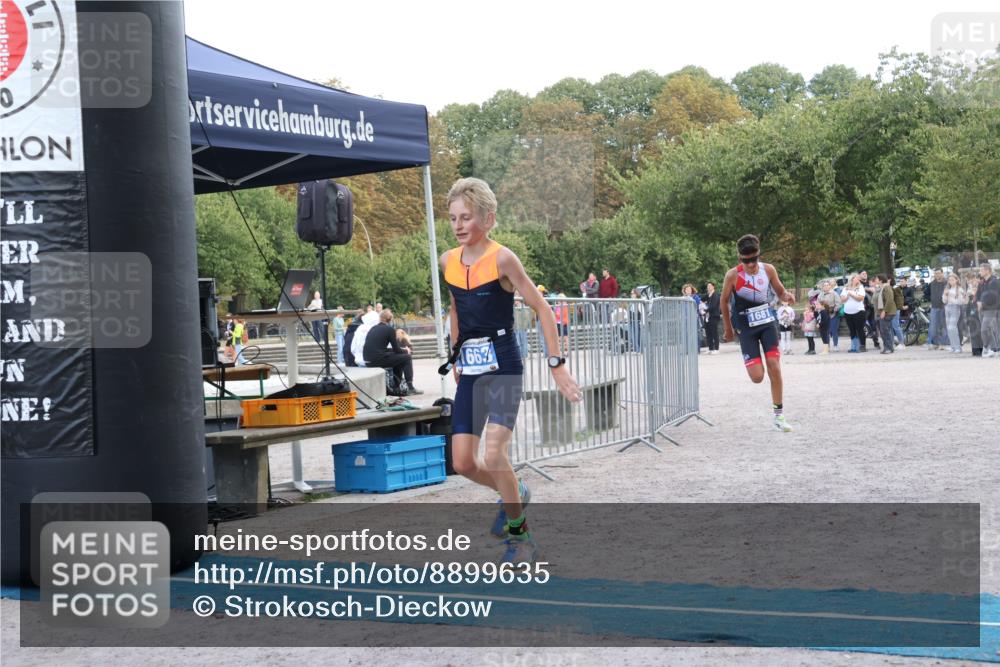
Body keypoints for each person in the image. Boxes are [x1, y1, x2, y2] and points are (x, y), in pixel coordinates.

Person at [440, 177, 581, 564]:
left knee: (495, 450)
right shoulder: (447, 261)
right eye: (452, 218)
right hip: (471, 365)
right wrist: (454, 354)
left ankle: (520, 537)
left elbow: (542, 308)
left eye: (466, 217)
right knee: (463, 462)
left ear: (488, 217)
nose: (458, 225)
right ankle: (514, 489)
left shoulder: (503, 258)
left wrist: (557, 365)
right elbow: (455, 308)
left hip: (503, 362)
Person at [720, 234, 796, 432]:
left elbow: (780, 291)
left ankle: (779, 416)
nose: (751, 265)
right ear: (740, 259)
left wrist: (787, 295)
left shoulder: (768, 270)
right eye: (746, 261)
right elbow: (723, 301)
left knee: (775, 366)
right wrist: (728, 329)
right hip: (746, 328)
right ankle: (753, 360)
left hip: (766, 322)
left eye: (754, 259)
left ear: (758, 255)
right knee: (757, 377)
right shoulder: (732, 275)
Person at [363, 309, 422, 395]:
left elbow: (383, 349)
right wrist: (406, 350)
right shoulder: (389, 329)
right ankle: (410, 387)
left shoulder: (373, 328)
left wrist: (403, 350)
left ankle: (397, 387)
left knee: (398, 358)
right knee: (407, 357)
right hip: (377, 360)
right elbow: (396, 349)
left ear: (380, 318)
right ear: (390, 319)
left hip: (368, 360)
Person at [976, 263, 1000, 358]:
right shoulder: (982, 282)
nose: (979, 272)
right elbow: (978, 293)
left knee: (985, 329)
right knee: (988, 329)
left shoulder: (995, 281)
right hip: (982, 309)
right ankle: (994, 349)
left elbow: (993, 296)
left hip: (992, 308)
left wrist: (982, 302)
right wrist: (978, 302)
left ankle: (989, 348)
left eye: (981, 270)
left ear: (987, 270)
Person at [840, 273, 867, 353]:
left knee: (860, 329)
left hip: (858, 311)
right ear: (852, 279)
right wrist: (848, 295)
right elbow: (842, 299)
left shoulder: (861, 287)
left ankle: (862, 346)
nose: (858, 279)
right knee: (852, 330)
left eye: (859, 278)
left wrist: (852, 294)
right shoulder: (846, 288)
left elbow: (860, 298)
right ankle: (854, 346)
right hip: (848, 312)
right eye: (857, 278)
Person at [942, 273, 967, 354]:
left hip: (955, 308)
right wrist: (945, 295)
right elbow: (944, 301)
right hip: (947, 308)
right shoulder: (947, 289)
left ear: (956, 280)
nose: (950, 281)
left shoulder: (959, 289)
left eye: (952, 280)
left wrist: (952, 297)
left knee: (952, 327)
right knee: (949, 329)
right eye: (949, 280)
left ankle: (958, 347)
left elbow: (962, 301)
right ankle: (953, 347)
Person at [874, 274, 896, 354]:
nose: (875, 280)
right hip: (883, 312)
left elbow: (889, 300)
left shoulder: (886, 287)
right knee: (884, 331)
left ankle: (888, 348)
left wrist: (884, 311)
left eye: (876, 279)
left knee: (885, 331)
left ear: (880, 280)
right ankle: (889, 347)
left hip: (887, 312)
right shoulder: (881, 288)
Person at [925, 268, 947, 350]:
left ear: (942, 273)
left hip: (944, 307)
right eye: (936, 273)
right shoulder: (931, 284)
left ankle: (943, 344)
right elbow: (926, 294)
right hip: (934, 307)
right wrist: (931, 299)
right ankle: (935, 343)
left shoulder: (946, 283)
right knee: (933, 327)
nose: (937, 275)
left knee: (944, 326)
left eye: (938, 273)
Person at [816, 280, 838, 354]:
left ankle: (835, 345)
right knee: (825, 332)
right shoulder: (820, 295)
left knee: (833, 330)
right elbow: (818, 303)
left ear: (830, 286)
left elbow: (839, 303)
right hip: (823, 314)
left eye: (827, 285)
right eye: (824, 285)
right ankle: (827, 347)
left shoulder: (834, 293)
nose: (825, 286)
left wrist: (834, 310)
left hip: (832, 314)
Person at [966, 275, 983, 356]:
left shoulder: (981, 297)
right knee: (973, 334)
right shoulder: (970, 299)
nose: (973, 289)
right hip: (972, 319)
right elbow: (967, 310)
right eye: (972, 288)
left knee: (980, 333)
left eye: (975, 287)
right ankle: (975, 350)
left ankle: (982, 349)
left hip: (979, 317)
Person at [704, 281, 721, 354]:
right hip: (707, 316)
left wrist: (705, 309)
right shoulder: (708, 295)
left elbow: (713, 306)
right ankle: (710, 348)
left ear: (713, 286)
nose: (709, 287)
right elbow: (701, 300)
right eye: (708, 286)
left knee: (714, 332)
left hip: (714, 316)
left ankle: (716, 349)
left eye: (710, 286)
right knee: (708, 333)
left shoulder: (715, 295)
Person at [889, 277, 906, 349]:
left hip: (895, 309)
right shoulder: (892, 287)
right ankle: (892, 342)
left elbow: (899, 299)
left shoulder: (895, 288)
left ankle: (902, 343)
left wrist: (898, 307)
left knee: (896, 326)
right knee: (891, 326)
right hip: (892, 309)